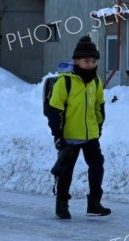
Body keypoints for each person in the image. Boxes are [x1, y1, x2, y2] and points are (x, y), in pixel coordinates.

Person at [47, 36, 110, 219]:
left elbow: (99, 106)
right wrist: (58, 135)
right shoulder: (65, 82)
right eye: (86, 61)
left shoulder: (95, 81)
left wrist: (98, 127)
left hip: (90, 135)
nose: (90, 64)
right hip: (69, 136)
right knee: (66, 172)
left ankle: (94, 203)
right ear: (76, 61)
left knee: (97, 166)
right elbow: (54, 110)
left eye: (93, 61)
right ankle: (62, 204)